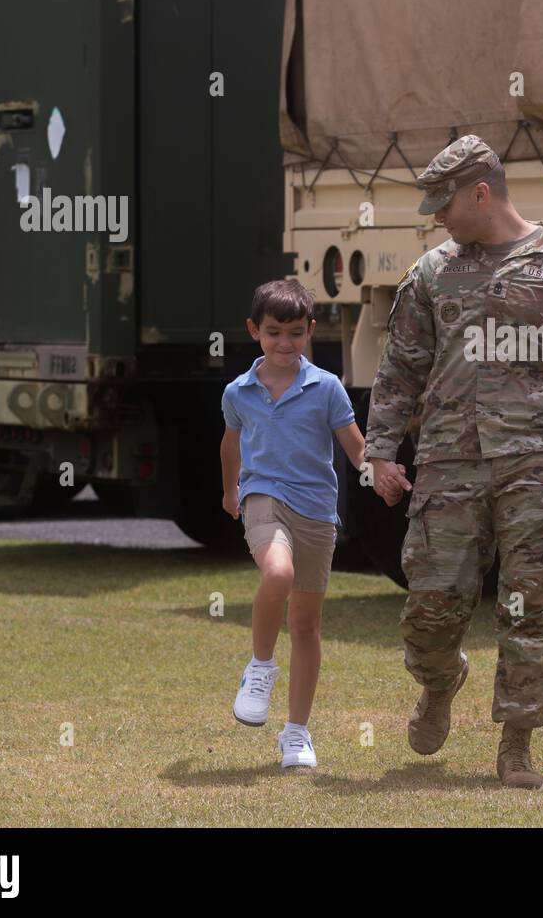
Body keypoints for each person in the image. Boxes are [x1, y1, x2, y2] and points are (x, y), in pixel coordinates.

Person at [365, 135, 543, 788]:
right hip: (449, 466)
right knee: (431, 605)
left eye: (445, 205)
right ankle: (439, 682)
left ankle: (516, 743)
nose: (438, 218)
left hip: (541, 468)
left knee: (531, 608)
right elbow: (400, 367)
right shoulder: (432, 274)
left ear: (480, 193)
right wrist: (379, 451)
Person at [220, 278, 364, 769]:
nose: (285, 343)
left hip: (317, 513)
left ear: (311, 332)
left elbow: (355, 447)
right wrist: (229, 489)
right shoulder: (238, 391)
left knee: (305, 624)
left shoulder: (326, 387)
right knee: (276, 573)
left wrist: (380, 471)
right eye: (274, 332)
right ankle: (259, 668)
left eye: (296, 333)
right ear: (254, 330)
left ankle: (296, 734)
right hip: (262, 498)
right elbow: (230, 443)